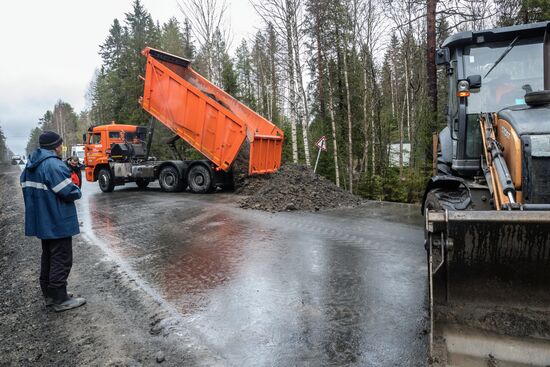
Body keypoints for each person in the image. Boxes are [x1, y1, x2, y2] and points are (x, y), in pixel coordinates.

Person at [20, 131, 86, 312]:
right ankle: (59, 299)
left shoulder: (31, 165)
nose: (61, 147)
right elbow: (70, 191)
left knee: (48, 256)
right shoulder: (53, 165)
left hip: (43, 220)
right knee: (62, 258)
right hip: (57, 220)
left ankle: (50, 294)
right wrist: (75, 178)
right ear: (55, 146)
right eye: (60, 144)